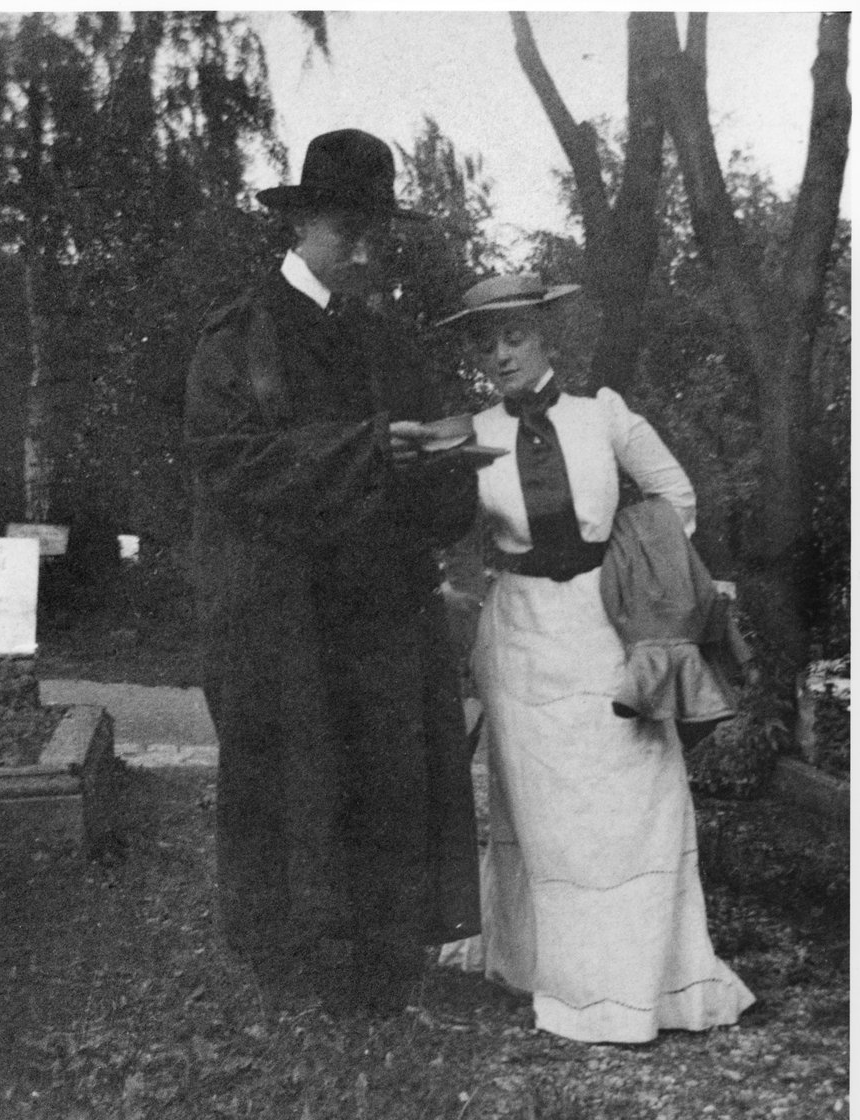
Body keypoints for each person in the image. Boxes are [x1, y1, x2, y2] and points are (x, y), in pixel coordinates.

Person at [184, 130, 482, 1018]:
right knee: (295, 773)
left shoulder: (391, 342)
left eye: (375, 231)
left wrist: (448, 463)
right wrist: (365, 451)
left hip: (385, 604)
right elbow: (228, 467)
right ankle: (291, 968)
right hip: (283, 607)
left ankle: (388, 963)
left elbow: (433, 470)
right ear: (302, 222)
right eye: (347, 228)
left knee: (391, 772)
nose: (364, 248)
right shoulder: (239, 341)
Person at [438, 273, 755, 1044]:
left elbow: (675, 496)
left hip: (604, 629)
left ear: (547, 337)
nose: (501, 354)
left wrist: (636, 575)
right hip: (518, 638)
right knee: (550, 819)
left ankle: (647, 982)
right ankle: (561, 979)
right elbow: (449, 538)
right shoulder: (470, 433)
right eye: (486, 342)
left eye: (515, 336)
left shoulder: (601, 415)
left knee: (629, 800)